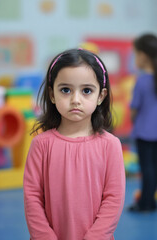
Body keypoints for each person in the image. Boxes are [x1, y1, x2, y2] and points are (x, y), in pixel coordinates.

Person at [23, 48, 125, 240]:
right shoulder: (40, 145)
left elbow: (113, 199)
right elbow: (32, 198)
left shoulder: (110, 145)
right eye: (65, 90)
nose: (75, 100)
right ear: (52, 94)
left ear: (101, 96)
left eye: (86, 90)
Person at [129, 34, 157, 212]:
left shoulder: (142, 81)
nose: (135, 58)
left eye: (136, 54)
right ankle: (150, 200)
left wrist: (134, 120)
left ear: (143, 55)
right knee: (154, 169)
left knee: (146, 169)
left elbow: (134, 110)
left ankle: (145, 203)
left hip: (144, 133)